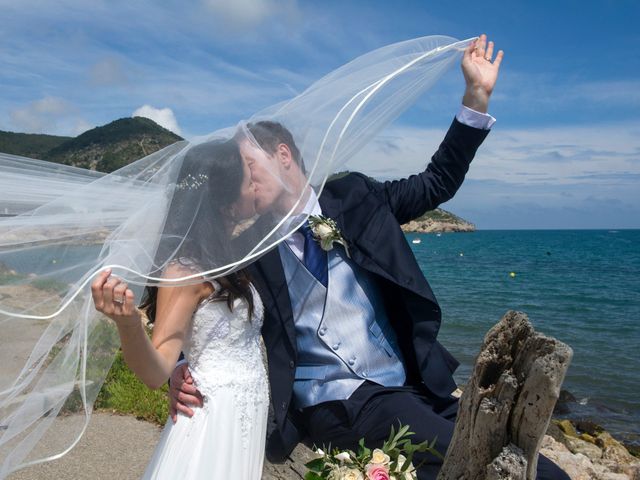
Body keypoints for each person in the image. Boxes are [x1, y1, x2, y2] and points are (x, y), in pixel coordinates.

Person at [169, 35, 570, 479]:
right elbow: (201, 301)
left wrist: (476, 97)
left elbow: (436, 182)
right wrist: (182, 366)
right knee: (488, 463)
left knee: (535, 466)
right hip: (333, 403)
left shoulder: (355, 196)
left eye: (248, 165)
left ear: (282, 155)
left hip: (412, 388)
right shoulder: (251, 245)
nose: (243, 180)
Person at [91, 140, 270, 479]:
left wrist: (187, 362)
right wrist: (128, 323)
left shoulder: (227, 258)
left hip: (244, 416)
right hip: (212, 420)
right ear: (227, 202)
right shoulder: (184, 271)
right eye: (249, 181)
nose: (256, 185)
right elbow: (156, 370)